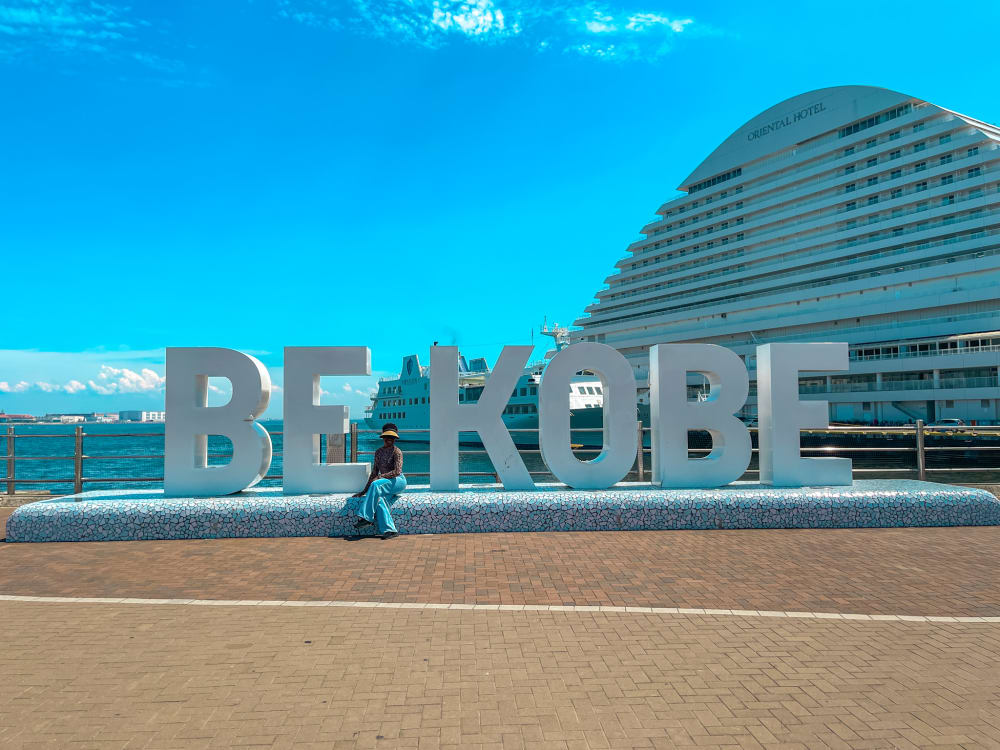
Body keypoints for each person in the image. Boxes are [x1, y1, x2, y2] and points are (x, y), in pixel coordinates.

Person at [351, 423, 406, 539]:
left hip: (398, 481)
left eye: (392, 437)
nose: (389, 439)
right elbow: (374, 473)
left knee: (376, 484)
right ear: (383, 437)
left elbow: (397, 471)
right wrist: (363, 492)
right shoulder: (378, 452)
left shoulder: (397, 452)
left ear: (395, 438)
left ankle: (366, 517)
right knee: (379, 500)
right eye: (387, 437)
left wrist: (381, 477)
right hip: (385, 483)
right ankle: (390, 530)